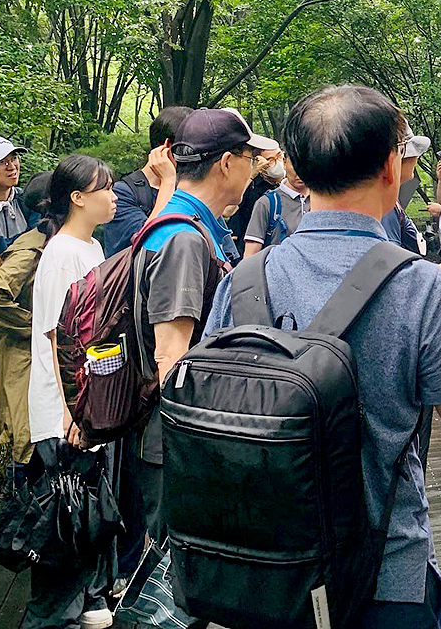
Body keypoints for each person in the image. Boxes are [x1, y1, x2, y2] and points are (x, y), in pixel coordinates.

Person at [206, 85, 441, 629]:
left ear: (297, 170)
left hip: (264, 576)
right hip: (384, 575)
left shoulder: (244, 282)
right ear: (391, 168)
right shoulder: (418, 287)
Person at [130, 108, 275, 549]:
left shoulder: (189, 225)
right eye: (250, 156)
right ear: (227, 163)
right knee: (175, 586)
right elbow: (169, 354)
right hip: (180, 441)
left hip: (179, 435)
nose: (254, 167)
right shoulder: (183, 239)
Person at [26, 154, 118, 629]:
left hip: (86, 406)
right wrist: (71, 413)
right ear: (77, 198)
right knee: (62, 522)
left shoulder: (93, 249)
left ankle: (84, 602)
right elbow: (54, 338)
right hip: (66, 410)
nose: (113, 195)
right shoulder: (61, 252)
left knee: (81, 516)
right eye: (104, 188)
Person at [0, 171, 50, 509]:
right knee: (14, 433)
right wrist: (31, 327)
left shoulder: (53, 243)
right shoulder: (32, 248)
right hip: (17, 356)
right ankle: (11, 518)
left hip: (28, 355)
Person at [103, 106, 192, 255]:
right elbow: (148, 244)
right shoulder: (121, 194)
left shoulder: (190, 189)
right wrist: (168, 181)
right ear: (168, 147)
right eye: (190, 148)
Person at [243, 153, 310, 256]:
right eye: (295, 165)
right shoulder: (267, 203)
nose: (300, 172)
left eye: (305, 164)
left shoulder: (324, 200)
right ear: (284, 162)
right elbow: (250, 255)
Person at [226, 141, 285, 254]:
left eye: (279, 157)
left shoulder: (290, 183)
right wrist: (252, 175)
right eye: (271, 160)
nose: (277, 163)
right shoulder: (250, 184)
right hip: (247, 247)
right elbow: (228, 211)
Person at [0, 134, 29, 273]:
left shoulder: (28, 201)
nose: (11, 167)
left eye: (14, 158)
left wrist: (1, 261)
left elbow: (42, 250)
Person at [382, 126, 430, 252]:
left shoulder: (392, 200)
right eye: (413, 153)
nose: (416, 159)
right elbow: (389, 260)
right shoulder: (383, 205)